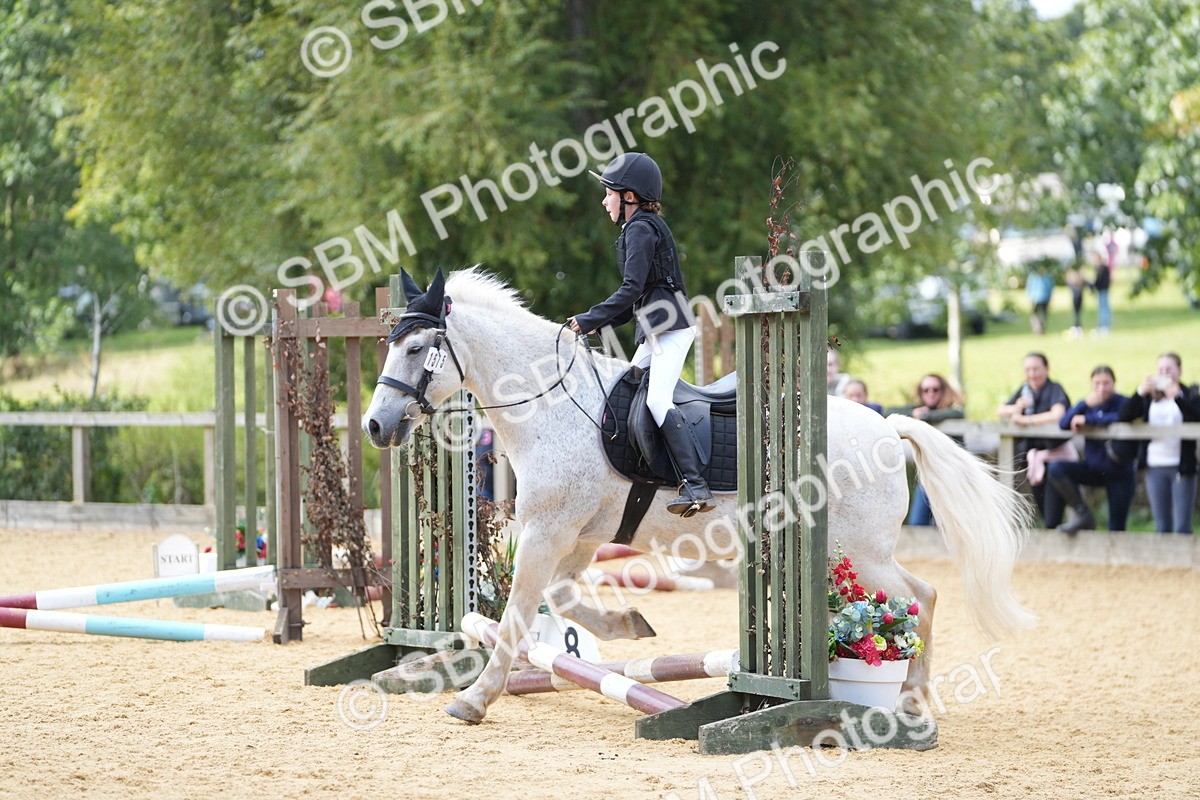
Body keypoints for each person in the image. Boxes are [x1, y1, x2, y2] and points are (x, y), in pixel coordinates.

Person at [569, 152, 712, 517]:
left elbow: (631, 289)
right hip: (657, 329)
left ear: (629, 196)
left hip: (670, 330)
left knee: (657, 400)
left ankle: (695, 485)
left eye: (609, 193)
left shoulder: (641, 228)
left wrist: (587, 319)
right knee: (628, 389)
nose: (605, 200)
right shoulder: (641, 226)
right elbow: (636, 299)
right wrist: (595, 323)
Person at [1045, 366, 1136, 534]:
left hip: (1119, 473)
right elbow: (1064, 423)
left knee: (1116, 528)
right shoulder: (1087, 404)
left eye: (1106, 383)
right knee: (1056, 468)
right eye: (1097, 383)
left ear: (1114, 383)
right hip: (1094, 469)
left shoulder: (1123, 402)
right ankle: (1083, 514)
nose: (1101, 388)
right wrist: (1084, 404)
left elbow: (1122, 417)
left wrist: (1090, 419)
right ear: (1091, 384)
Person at [1118, 353, 1200, 533]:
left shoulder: (1190, 393)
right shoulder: (1149, 397)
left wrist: (1177, 397)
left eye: (1169, 369)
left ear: (1179, 371)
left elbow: (1196, 416)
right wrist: (1140, 392)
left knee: (1182, 525)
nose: (1165, 373)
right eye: (1161, 369)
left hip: (1182, 466)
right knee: (1162, 525)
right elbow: (1124, 415)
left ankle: (1184, 560)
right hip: (1155, 464)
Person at [998, 352, 1071, 525]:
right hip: (1033, 461)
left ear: (1046, 369)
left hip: (1054, 459)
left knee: (1053, 515)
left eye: (1036, 369)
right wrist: (1016, 407)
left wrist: (1026, 420)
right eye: (1028, 370)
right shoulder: (1025, 390)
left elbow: (1057, 414)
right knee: (1045, 511)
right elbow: (1001, 410)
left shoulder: (1055, 389)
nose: (1032, 374)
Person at [893, 374, 964, 526]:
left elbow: (958, 413)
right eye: (925, 390)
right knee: (917, 524)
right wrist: (913, 414)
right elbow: (888, 411)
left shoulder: (951, 411)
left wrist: (926, 416)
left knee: (945, 526)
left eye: (935, 389)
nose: (930, 393)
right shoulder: (917, 409)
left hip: (952, 479)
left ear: (943, 391)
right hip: (928, 477)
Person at [1025, 264, 1054, 335]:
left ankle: (1039, 328)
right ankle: (1039, 328)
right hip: (1036, 299)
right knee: (1037, 314)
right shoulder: (1034, 277)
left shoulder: (1045, 277)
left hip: (1043, 298)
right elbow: (1029, 288)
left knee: (1042, 314)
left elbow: (1050, 288)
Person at [1094, 242, 1113, 334]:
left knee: (1104, 308)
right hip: (1102, 290)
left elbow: (1100, 280)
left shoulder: (1102, 268)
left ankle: (1105, 325)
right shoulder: (1101, 268)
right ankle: (1104, 325)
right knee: (1104, 308)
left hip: (1103, 290)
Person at [1064, 266, 1086, 338]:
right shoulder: (1073, 284)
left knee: (1076, 313)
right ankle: (1076, 327)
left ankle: (1077, 327)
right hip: (1076, 299)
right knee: (1076, 314)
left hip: (1077, 299)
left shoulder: (1078, 284)